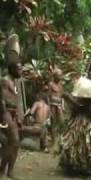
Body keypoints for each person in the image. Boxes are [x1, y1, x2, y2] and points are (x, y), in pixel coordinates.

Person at [0, 34, 23, 179]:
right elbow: (1, 100)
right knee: (14, 141)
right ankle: (4, 170)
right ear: (12, 69)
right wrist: (3, 117)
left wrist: (19, 116)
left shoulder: (15, 82)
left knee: (14, 143)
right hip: (6, 113)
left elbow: (17, 101)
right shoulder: (4, 80)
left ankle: (8, 170)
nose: (21, 71)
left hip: (13, 113)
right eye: (19, 69)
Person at [48, 66, 64, 144]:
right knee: (53, 122)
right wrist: (49, 108)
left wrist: (62, 105)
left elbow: (61, 95)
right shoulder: (51, 84)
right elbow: (48, 96)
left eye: (61, 75)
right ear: (55, 76)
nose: (60, 77)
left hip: (59, 104)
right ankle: (53, 139)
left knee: (61, 122)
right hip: (52, 105)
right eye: (59, 75)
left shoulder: (61, 84)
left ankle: (61, 138)